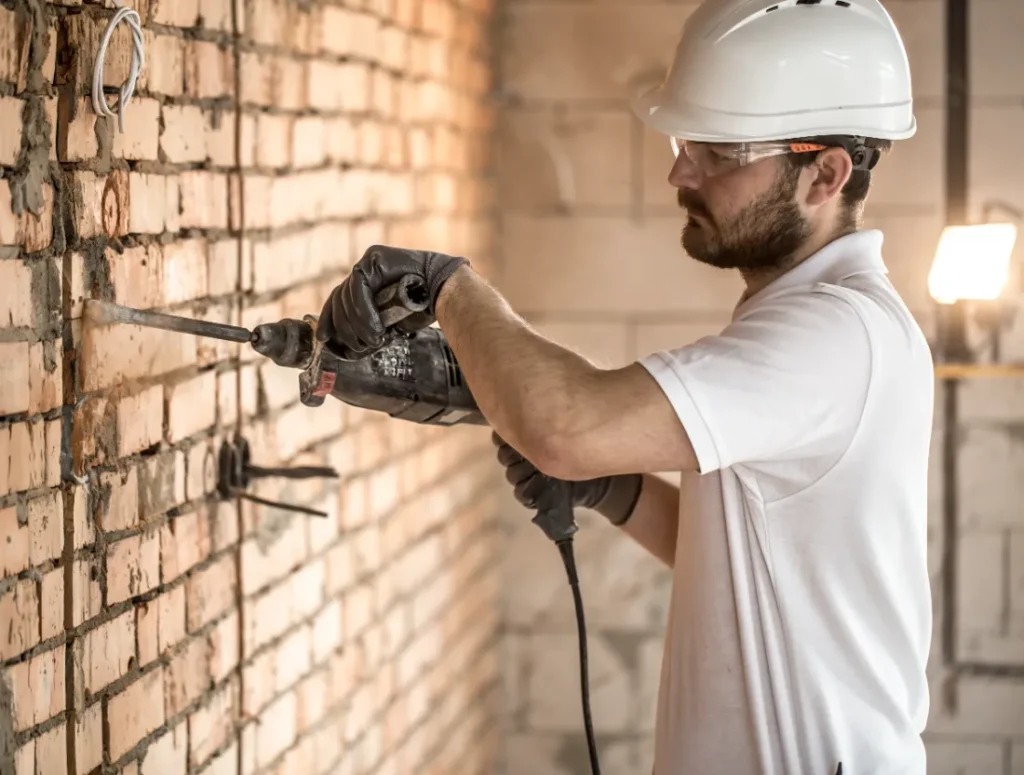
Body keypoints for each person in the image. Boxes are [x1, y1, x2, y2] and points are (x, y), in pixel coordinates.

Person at [316, 0, 935, 771]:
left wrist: (447, 286)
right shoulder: (818, 321)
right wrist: (615, 490)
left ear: (826, 174)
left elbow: (567, 424)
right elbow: (744, 558)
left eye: (719, 150)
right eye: (685, 141)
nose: (680, 170)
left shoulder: (835, 336)